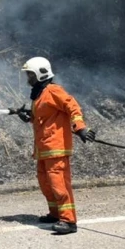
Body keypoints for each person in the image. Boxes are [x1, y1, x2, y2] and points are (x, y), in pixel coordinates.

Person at [11, 57, 95, 235]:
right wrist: (29, 117)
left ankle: (68, 220)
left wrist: (80, 127)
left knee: (59, 184)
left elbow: (72, 106)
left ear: (41, 73)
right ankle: (55, 213)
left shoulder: (53, 90)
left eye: (30, 74)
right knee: (45, 183)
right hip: (43, 149)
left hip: (56, 148)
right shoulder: (40, 94)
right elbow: (44, 119)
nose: (28, 78)